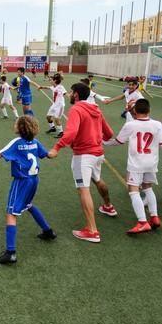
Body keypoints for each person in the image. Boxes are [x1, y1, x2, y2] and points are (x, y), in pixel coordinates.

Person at [0, 116, 56, 264]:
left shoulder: (17, 143)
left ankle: (10, 252)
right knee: (29, 204)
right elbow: (48, 155)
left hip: (21, 182)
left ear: (21, 128)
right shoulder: (35, 142)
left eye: (16, 123)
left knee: (11, 213)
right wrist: (55, 150)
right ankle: (48, 231)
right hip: (34, 180)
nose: (14, 125)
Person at [47, 83, 116, 243]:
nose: (69, 94)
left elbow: (71, 133)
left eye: (71, 92)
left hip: (83, 156)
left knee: (83, 189)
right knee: (97, 179)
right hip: (98, 153)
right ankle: (108, 206)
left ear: (76, 94)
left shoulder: (76, 109)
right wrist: (96, 138)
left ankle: (92, 230)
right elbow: (109, 133)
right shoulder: (96, 109)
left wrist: (57, 147)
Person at [103, 99, 162, 234]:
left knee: (133, 191)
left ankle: (142, 222)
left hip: (136, 164)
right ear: (149, 110)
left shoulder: (130, 125)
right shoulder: (157, 124)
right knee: (148, 188)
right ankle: (155, 217)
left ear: (135, 111)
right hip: (151, 163)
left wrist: (103, 142)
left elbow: (118, 142)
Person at [43, 73, 66, 138]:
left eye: (51, 80)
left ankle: (61, 132)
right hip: (54, 105)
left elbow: (65, 93)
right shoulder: (53, 87)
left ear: (55, 81)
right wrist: (41, 87)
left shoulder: (60, 87)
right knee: (48, 117)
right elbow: (48, 87)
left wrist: (72, 98)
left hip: (60, 105)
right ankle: (53, 128)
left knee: (56, 118)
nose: (50, 81)